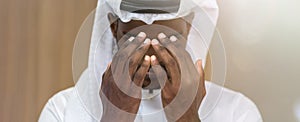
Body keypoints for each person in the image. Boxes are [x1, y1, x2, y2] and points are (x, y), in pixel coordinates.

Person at [39, 0, 262, 122]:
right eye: (137, 40)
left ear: (189, 27)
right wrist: (115, 118)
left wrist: (187, 119)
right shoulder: (63, 111)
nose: (152, 59)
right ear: (114, 28)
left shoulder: (236, 112)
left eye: (168, 40)